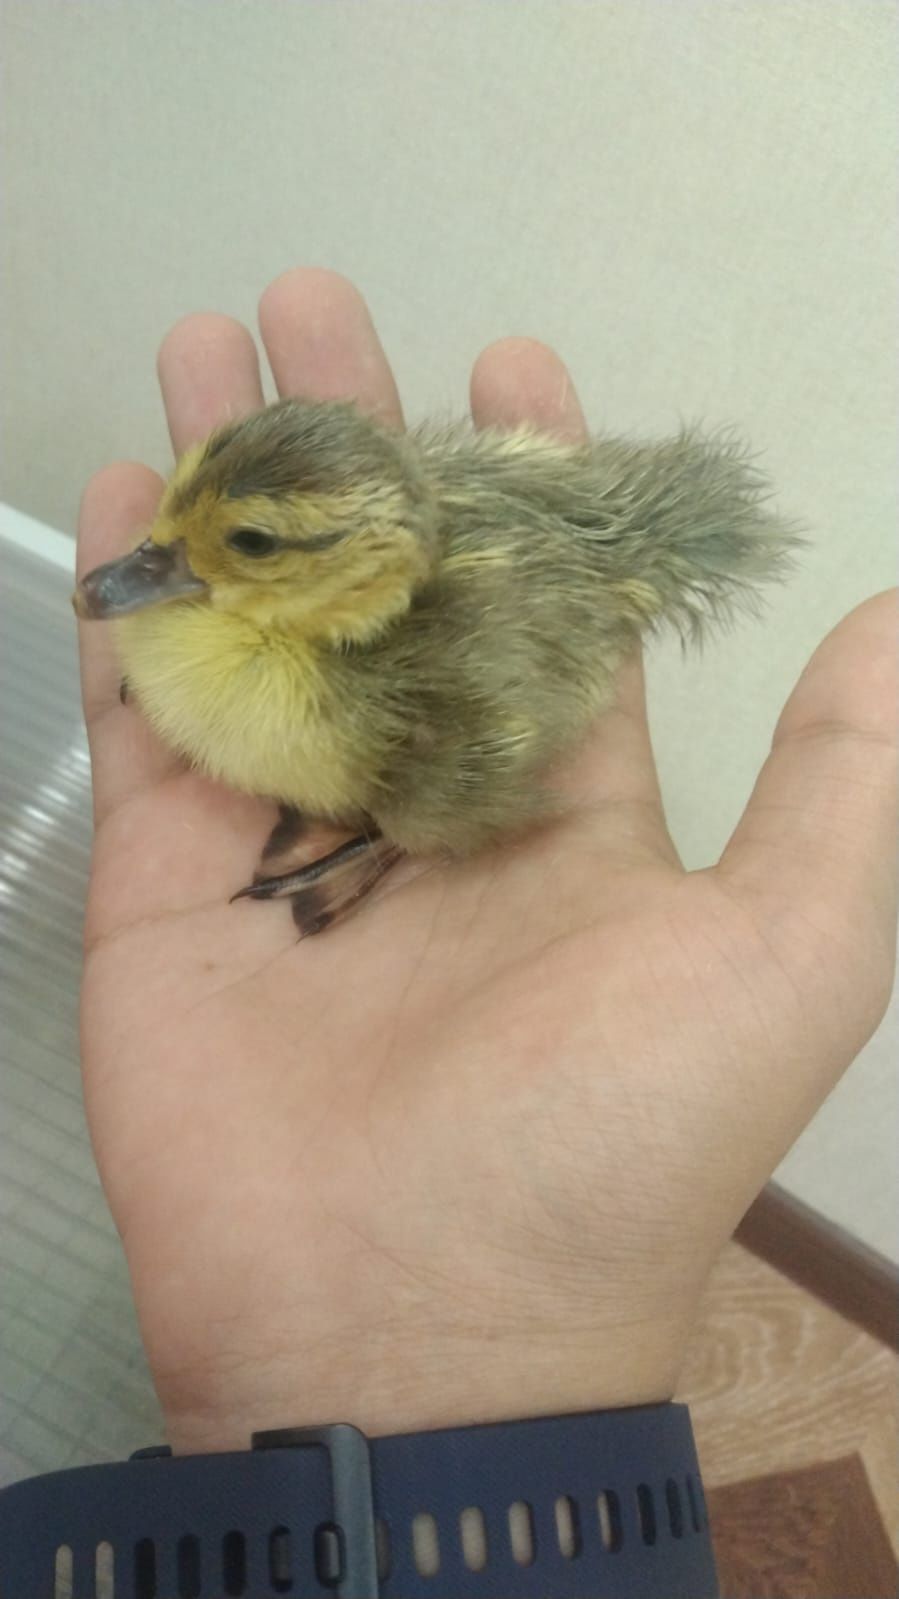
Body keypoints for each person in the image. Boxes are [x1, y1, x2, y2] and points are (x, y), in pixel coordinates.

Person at [75, 266, 896, 1461]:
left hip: (429, 655)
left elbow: (472, 753)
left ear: (365, 568)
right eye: (180, 526)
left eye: (242, 544)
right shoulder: (277, 593)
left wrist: (387, 817)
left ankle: (378, 830)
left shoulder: (381, 694)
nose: (138, 572)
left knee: (424, 785)